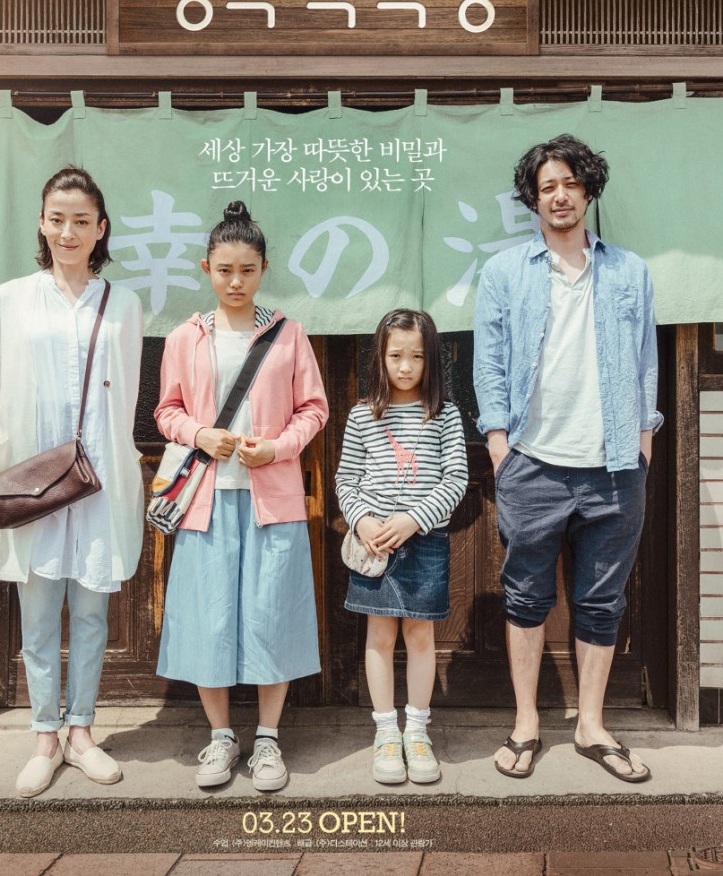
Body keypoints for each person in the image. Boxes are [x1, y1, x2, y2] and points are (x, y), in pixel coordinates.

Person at [473, 134, 661, 783]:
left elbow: (646, 361)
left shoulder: (629, 271)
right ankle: (526, 722)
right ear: (533, 198)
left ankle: (591, 725)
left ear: (589, 191)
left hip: (616, 465)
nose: (560, 195)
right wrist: (499, 445)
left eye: (571, 183)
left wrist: (644, 442)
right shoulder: (504, 273)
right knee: (525, 596)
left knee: (602, 601)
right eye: (547, 186)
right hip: (532, 462)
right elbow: (489, 364)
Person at [0, 166, 144, 798]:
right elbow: (5, 382)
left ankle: (82, 732)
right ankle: (45, 735)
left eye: (81, 221)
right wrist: (15, 460)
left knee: (93, 610)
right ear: (41, 224)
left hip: (98, 473)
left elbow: (125, 393)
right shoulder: (12, 298)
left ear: (101, 229)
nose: (68, 232)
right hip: (38, 475)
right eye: (57, 219)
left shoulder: (122, 303)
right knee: (40, 609)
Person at [155, 200, 327, 793]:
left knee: (271, 615)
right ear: (207, 268)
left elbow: (314, 409)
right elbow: (166, 411)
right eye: (224, 270)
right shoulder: (184, 337)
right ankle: (222, 736)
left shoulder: (288, 334)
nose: (235, 281)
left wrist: (276, 447)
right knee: (209, 620)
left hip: (271, 500)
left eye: (247, 270)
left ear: (264, 270)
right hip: (204, 502)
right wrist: (199, 433)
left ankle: (269, 738)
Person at [335, 309, 468, 785]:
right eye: (396, 356)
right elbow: (346, 480)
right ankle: (386, 732)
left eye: (417, 356)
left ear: (431, 360)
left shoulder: (445, 415)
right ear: (380, 357)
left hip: (425, 542)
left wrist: (414, 519)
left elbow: (456, 480)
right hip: (375, 546)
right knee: (379, 637)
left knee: (420, 636)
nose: (406, 366)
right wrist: (362, 519)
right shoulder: (362, 414)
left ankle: (417, 729)